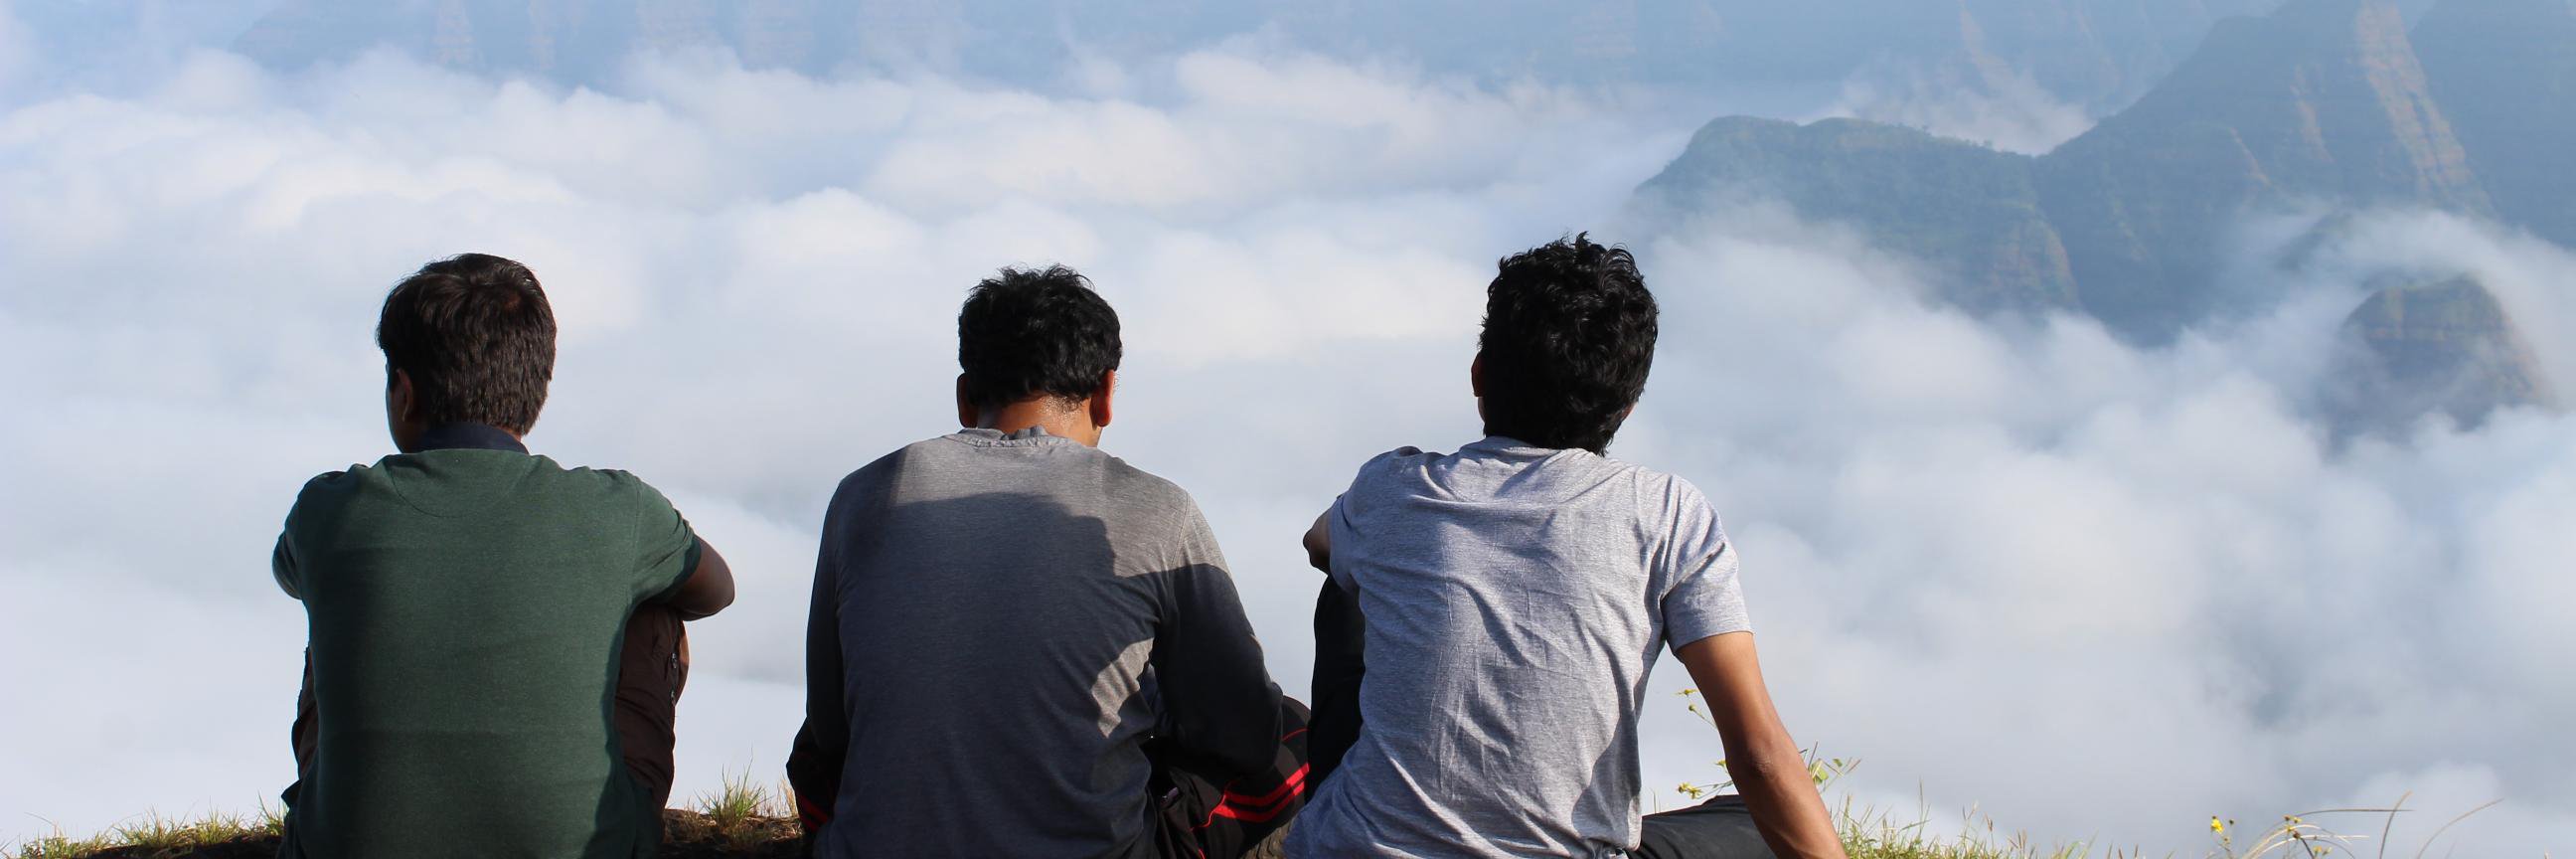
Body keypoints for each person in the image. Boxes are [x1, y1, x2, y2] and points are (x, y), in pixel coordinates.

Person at [1287, 236, 1848, 859]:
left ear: (1478, 375)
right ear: (1627, 407)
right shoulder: (1666, 514)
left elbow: (1318, 541)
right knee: (1750, 822)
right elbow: (1759, 755)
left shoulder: (1392, 487)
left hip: (1350, 847)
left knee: (1347, 583)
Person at [785, 265, 1309, 858]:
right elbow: (1243, 732)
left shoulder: (863, 495)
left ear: (965, 396)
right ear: (1106, 394)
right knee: (1291, 729)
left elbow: (830, 728)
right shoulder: (1158, 508)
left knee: (814, 747)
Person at [271, 254, 736, 858]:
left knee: (334, 613)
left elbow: (292, 579)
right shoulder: (618, 509)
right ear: (535, 389)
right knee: (655, 604)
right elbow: (716, 588)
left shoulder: (328, 508)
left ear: (404, 392)